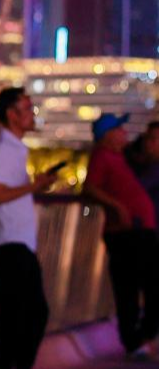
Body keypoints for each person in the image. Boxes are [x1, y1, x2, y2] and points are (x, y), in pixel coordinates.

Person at [0, 87, 55, 369]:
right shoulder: (4, 150)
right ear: (12, 115)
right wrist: (35, 186)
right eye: (27, 109)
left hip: (13, 241)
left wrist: (33, 187)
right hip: (11, 242)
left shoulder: (11, 148)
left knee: (12, 313)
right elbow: (0, 194)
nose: (32, 115)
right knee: (33, 312)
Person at [84, 113, 159, 357]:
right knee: (129, 288)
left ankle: (142, 335)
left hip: (140, 232)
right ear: (108, 135)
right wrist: (117, 207)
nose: (125, 132)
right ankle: (135, 340)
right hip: (126, 234)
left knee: (145, 286)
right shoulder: (102, 156)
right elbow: (90, 187)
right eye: (119, 129)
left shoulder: (122, 158)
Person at [126, 121, 159, 229]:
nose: (147, 143)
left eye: (152, 139)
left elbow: (133, 189)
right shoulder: (147, 167)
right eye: (146, 138)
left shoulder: (154, 170)